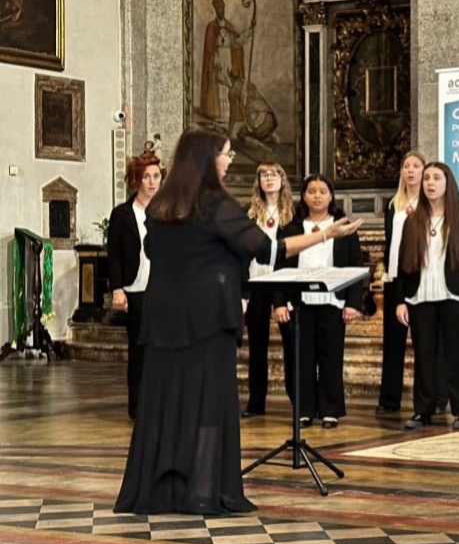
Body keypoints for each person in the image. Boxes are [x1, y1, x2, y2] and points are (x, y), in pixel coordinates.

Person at [114, 127, 363, 515]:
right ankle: (202, 491)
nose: (229, 162)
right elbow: (268, 250)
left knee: (167, 406)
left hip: (164, 320)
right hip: (207, 320)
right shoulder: (215, 203)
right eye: (226, 154)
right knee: (208, 405)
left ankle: (162, 491)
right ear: (207, 158)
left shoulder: (163, 202)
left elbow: (154, 249)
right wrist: (325, 234)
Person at [276, 174, 373, 429]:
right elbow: (280, 267)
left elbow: (355, 266)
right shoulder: (292, 228)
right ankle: (304, 410)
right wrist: (279, 303)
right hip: (299, 303)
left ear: (331, 196)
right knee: (301, 359)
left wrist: (353, 303)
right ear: (303, 196)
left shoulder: (343, 227)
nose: (317, 196)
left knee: (331, 357)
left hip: (333, 302)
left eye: (322, 191)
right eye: (312, 191)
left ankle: (330, 410)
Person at [395, 163, 459, 431]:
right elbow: (402, 264)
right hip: (420, 297)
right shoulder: (413, 221)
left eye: (436, 178)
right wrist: (400, 301)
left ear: (448, 183)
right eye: (427, 179)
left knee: (457, 355)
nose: (430, 183)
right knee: (424, 355)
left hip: (454, 295)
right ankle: (423, 410)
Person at [107, 152, 163, 420]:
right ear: (136, 180)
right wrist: (117, 289)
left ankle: (162, 404)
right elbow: (114, 255)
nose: (152, 182)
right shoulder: (122, 214)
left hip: (164, 291)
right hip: (136, 290)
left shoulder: (167, 211)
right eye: (146, 177)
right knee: (139, 349)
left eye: (156, 176)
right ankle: (138, 406)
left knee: (163, 349)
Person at [241, 162, 294, 418]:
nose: (268, 179)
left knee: (291, 344)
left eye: (273, 174)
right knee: (257, 346)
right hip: (257, 281)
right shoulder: (250, 213)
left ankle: (299, 401)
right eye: (263, 175)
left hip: (284, 282)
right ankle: (256, 402)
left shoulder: (293, 213)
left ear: (282, 180)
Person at [377, 151, 427, 419]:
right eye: (406, 166)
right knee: (393, 341)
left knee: (425, 341)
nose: (410, 170)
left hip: (420, 276)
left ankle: (432, 397)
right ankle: (389, 398)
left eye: (416, 166)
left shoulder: (428, 203)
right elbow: (390, 242)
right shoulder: (393, 204)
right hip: (395, 276)